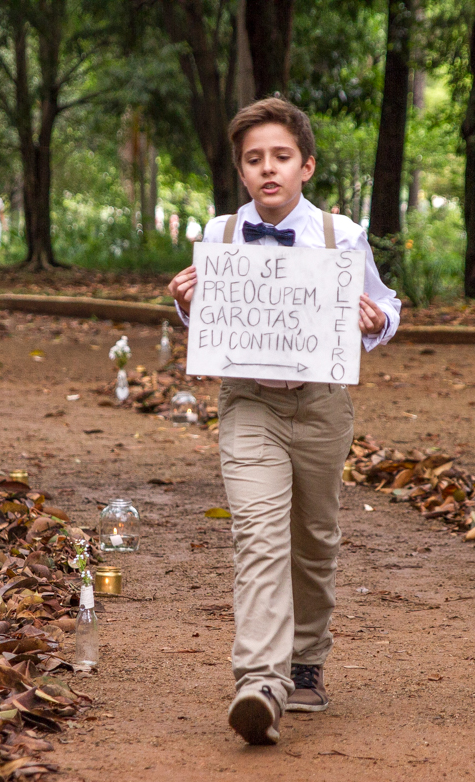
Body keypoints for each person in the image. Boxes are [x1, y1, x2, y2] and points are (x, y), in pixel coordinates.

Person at [167, 98, 401, 745]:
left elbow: (386, 307)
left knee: (314, 537)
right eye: (254, 159)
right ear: (241, 171)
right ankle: (260, 683)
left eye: (280, 157)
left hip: (323, 403)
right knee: (259, 535)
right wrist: (189, 304)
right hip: (248, 404)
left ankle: (306, 661)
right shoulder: (217, 237)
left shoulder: (341, 236)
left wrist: (376, 322)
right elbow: (211, 330)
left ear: (306, 166)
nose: (267, 169)